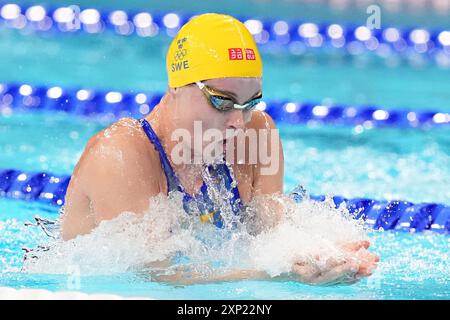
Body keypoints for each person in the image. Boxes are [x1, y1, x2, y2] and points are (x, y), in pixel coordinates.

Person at [61, 13, 378, 285]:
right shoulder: (120, 154)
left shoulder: (258, 133)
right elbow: (155, 275)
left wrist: (317, 252)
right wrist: (278, 273)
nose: (238, 122)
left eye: (250, 103)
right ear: (176, 85)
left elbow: (268, 229)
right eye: (222, 101)